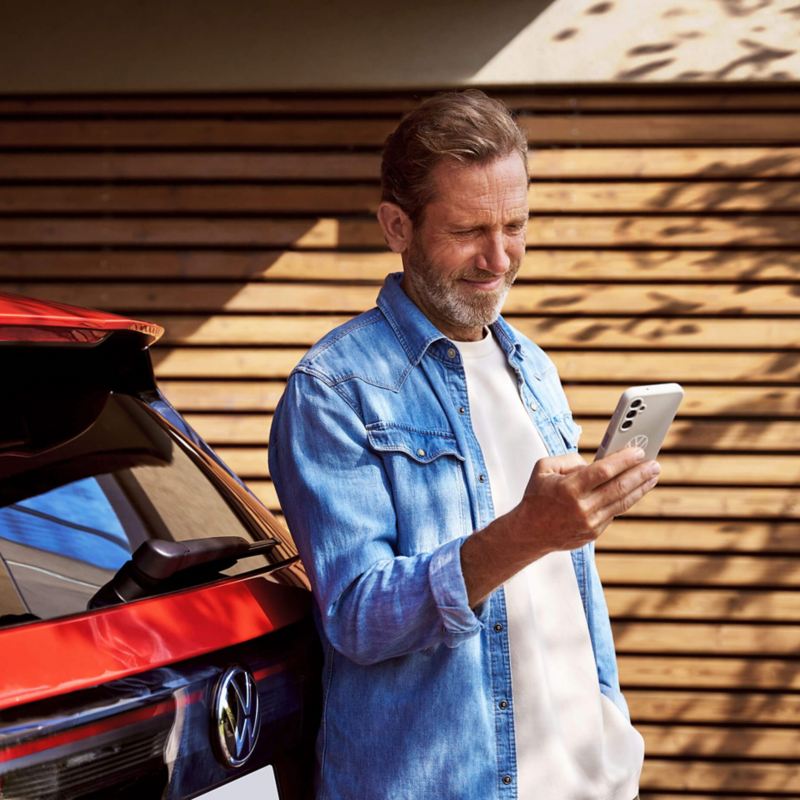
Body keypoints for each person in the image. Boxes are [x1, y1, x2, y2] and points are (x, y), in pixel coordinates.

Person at [269, 90, 656, 800]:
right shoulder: (335, 389)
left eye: (515, 226)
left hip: (584, 782)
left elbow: (575, 587)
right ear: (397, 226)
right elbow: (357, 617)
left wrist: (614, 736)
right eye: (469, 229)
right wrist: (523, 533)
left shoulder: (534, 368)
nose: (498, 258)